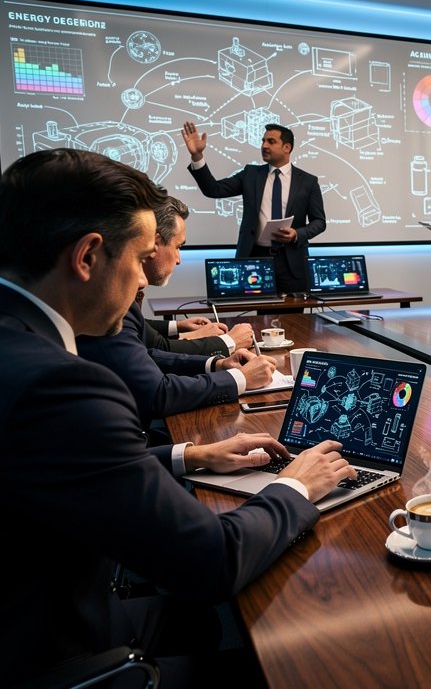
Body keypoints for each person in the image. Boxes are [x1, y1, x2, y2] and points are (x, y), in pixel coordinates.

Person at [0, 148, 354, 686]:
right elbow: (212, 561)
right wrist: (295, 488)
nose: (145, 283)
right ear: (88, 256)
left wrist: (190, 454)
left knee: (192, 624)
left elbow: (61, 464)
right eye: (142, 259)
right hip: (54, 647)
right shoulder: (61, 385)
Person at [78, 193, 278, 429]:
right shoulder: (105, 303)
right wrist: (240, 378)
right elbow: (157, 393)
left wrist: (216, 364)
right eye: (142, 255)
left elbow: (146, 354)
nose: (141, 281)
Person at [181, 120, 326, 294]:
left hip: (292, 262)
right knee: (259, 319)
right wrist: (197, 156)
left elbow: (319, 222)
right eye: (263, 141)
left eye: (271, 142)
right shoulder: (251, 175)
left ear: (287, 147)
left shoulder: (308, 182)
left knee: (296, 318)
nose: (264, 145)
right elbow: (213, 189)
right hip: (256, 259)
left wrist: (297, 234)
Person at [140, 194, 253, 357]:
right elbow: (158, 351)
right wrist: (230, 341)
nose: (179, 260)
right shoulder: (114, 297)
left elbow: (139, 329)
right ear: (154, 244)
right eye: (178, 247)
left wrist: (179, 326)